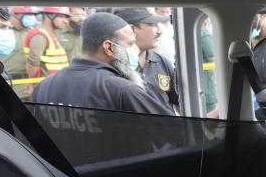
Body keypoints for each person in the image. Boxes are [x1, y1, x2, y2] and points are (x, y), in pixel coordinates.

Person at [32, 12, 173, 115]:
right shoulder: (123, 90)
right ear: (109, 47)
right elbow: (171, 133)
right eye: (130, 44)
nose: (134, 50)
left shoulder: (44, 86)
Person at [113, 8, 179, 114]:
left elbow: (178, 103)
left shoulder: (162, 62)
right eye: (152, 25)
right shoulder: (112, 67)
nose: (159, 31)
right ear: (132, 30)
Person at [24, 7, 71, 90]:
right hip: (46, 86)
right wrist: (32, 82)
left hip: (54, 84)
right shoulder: (40, 35)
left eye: (66, 17)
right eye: (61, 17)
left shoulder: (49, 34)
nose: (65, 21)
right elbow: (33, 62)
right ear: (48, 15)